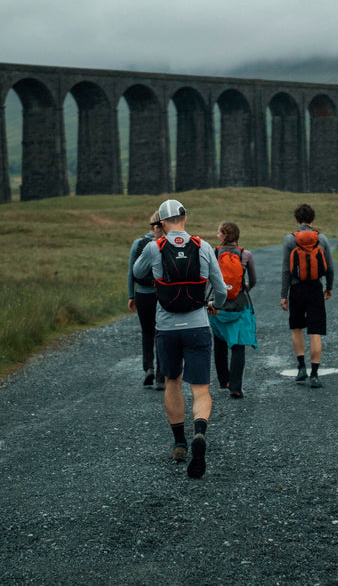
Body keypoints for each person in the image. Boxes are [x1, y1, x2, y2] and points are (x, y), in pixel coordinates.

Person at [132, 199, 227, 479]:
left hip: (167, 327)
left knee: (172, 383)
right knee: (200, 388)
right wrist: (215, 304)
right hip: (197, 324)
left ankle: (180, 443)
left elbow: (138, 273)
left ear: (160, 223)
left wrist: (157, 243)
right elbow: (220, 287)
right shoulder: (203, 246)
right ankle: (199, 432)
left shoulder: (153, 246)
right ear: (184, 218)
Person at [280, 203, 334, 389]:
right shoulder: (322, 239)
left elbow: (286, 270)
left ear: (296, 219)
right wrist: (329, 287)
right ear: (313, 219)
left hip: (296, 289)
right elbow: (330, 268)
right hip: (315, 289)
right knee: (315, 332)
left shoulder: (289, 240)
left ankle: (301, 367)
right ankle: (315, 374)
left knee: (296, 328)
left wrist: (283, 295)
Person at [208, 221, 258, 398]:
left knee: (219, 342)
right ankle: (236, 387)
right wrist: (243, 288)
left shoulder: (213, 253)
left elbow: (208, 278)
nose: (217, 235)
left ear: (224, 235)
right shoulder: (246, 254)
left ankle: (224, 380)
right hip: (238, 304)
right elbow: (253, 280)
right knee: (238, 345)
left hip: (218, 305)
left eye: (219, 233)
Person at [128, 211, 165, 389]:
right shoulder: (166, 243)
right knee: (162, 333)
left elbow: (131, 273)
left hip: (143, 294)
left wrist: (131, 296)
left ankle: (148, 368)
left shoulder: (138, 243)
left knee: (147, 332)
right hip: (162, 294)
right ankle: (161, 376)